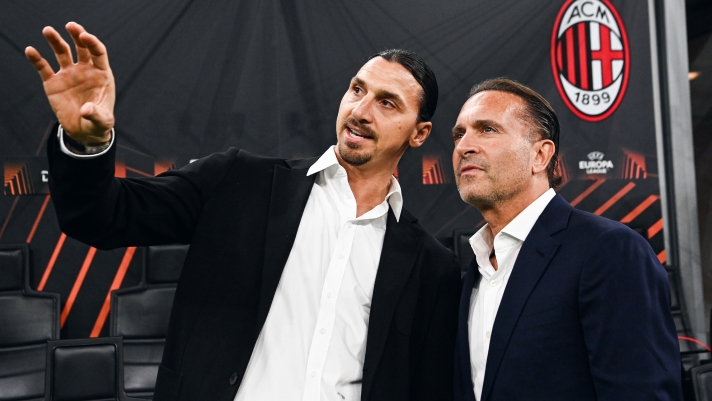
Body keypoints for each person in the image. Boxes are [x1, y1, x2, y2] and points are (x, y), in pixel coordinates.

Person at [26, 22, 460, 401]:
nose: (360, 111)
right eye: (357, 89)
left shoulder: (430, 265)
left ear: (419, 133)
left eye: (387, 103)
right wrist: (85, 143)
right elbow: (103, 216)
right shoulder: (240, 182)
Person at [450, 78, 682, 401]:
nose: (464, 146)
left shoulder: (610, 251)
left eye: (487, 129)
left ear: (541, 156)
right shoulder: (469, 275)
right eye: (459, 134)